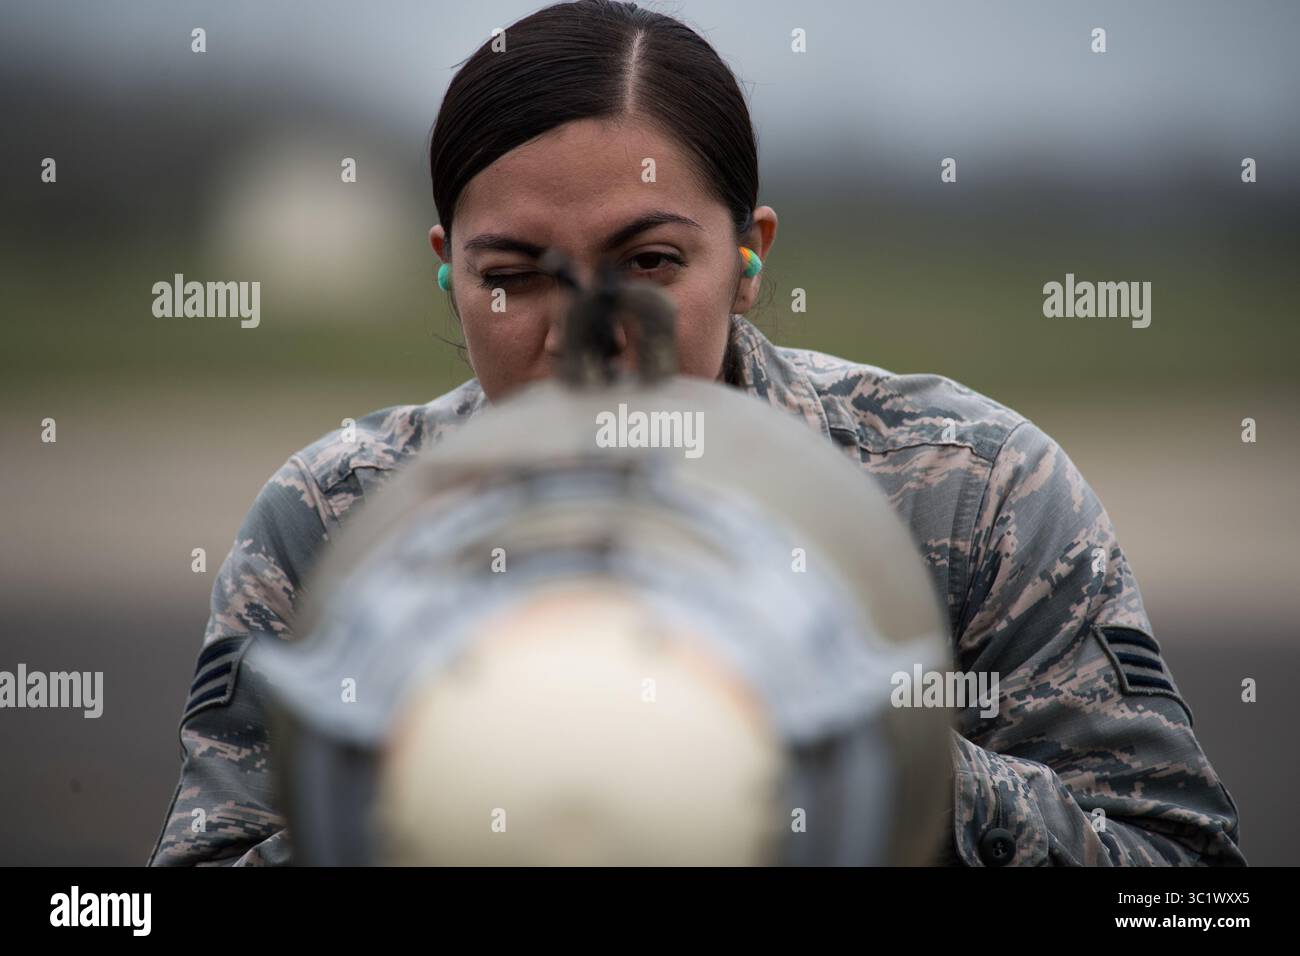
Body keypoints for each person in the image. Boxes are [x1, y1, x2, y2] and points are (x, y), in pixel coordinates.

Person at [147, 0, 1244, 866]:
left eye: (652, 262)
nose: (588, 328)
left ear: (750, 253)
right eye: (512, 276)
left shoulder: (969, 487)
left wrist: (887, 764)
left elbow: (1178, 875)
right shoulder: (336, 519)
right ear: (447, 270)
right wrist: (418, 773)